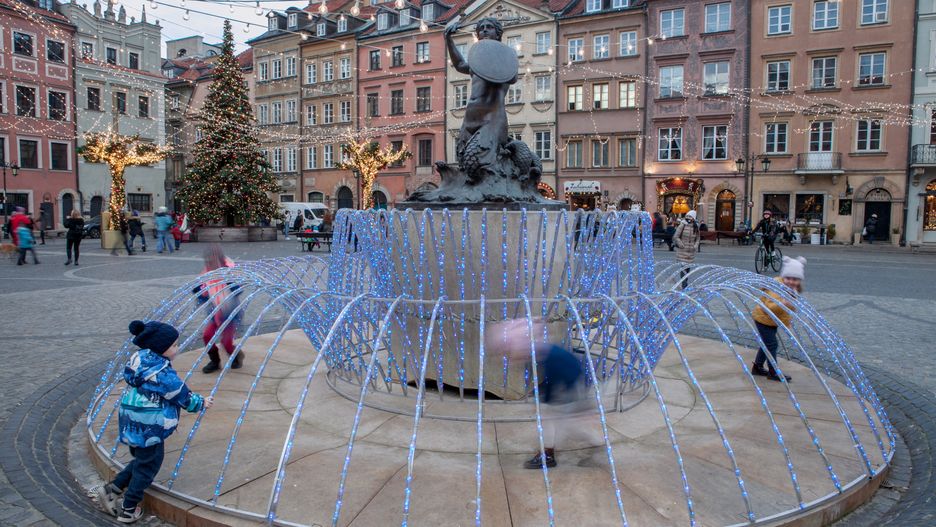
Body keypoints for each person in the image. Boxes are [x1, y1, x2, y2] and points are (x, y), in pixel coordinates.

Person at [93, 320, 212, 523]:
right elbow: (180, 394)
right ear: (159, 347)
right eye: (174, 345)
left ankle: (112, 489)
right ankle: (129, 508)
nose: (177, 348)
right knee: (148, 466)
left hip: (132, 419)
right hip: (149, 424)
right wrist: (201, 403)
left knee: (143, 460)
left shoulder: (141, 360)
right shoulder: (161, 372)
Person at [751, 256, 806, 383]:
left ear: (800, 280)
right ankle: (773, 372)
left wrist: (790, 305)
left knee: (767, 344)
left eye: (795, 279)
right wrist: (783, 303)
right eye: (788, 278)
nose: (791, 281)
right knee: (772, 344)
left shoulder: (792, 289)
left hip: (772, 321)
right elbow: (768, 308)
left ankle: (757, 367)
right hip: (763, 319)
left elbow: (789, 308)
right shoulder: (777, 288)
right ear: (783, 276)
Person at [196, 245, 243, 373]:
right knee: (207, 336)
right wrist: (200, 292)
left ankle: (236, 355)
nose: (210, 262)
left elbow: (238, 289)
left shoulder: (229, 270)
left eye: (213, 259)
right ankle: (215, 361)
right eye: (208, 260)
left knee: (226, 342)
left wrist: (230, 282)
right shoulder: (207, 272)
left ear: (219, 258)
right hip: (214, 311)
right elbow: (201, 290)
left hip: (229, 311)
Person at [673, 210, 700, 289]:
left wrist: (695, 246)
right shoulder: (682, 225)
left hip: (691, 251)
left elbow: (698, 238)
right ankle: (684, 285)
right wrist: (681, 244)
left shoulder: (696, 227)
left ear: (693, 218)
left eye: (690, 216)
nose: (688, 218)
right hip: (682, 250)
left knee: (688, 269)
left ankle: (685, 283)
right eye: (687, 216)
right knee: (683, 268)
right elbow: (676, 236)